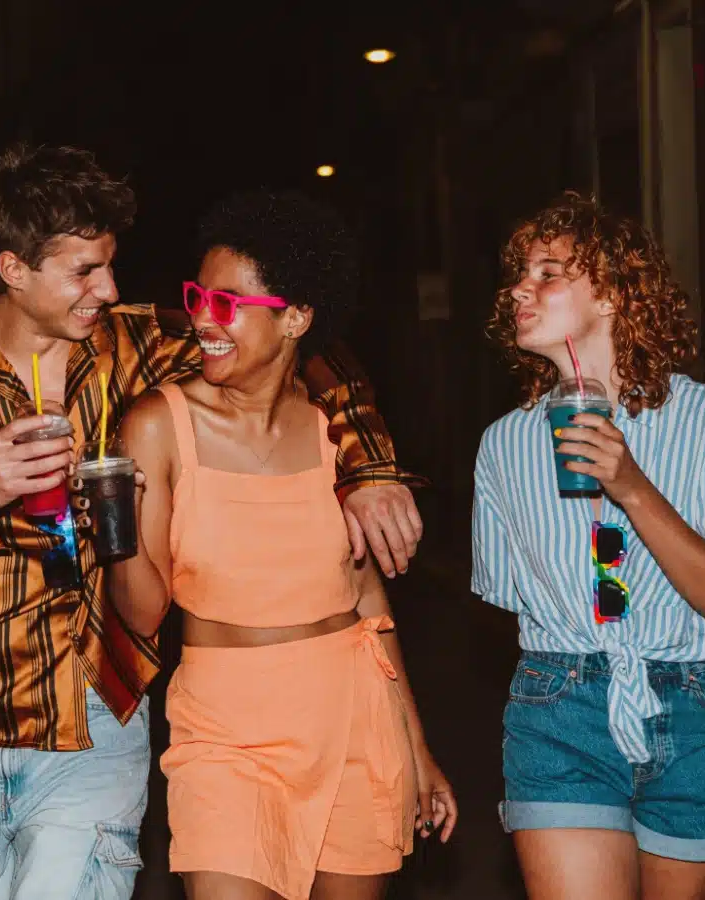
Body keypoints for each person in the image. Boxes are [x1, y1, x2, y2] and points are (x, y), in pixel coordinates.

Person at [0, 145, 427, 900]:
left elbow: (311, 351)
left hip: (96, 710)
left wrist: (368, 466)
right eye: (84, 271)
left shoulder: (132, 343)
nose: (107, 288)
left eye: (110, 265)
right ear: (14, 270)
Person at [106, 190, 454, 900]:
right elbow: (142, 615)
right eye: (198, 295)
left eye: (228, 303)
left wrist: (415, 747)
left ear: (295, 318)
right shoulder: (157, 425)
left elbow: (366, 598)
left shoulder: (339, 437)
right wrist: (114, 520)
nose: (203, 318)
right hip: (225, 726)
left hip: (352, 714)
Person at [471, 192, 705, 899]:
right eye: (518, 274)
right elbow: (511, 599)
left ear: (610, 294)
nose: (521, 287)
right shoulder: (504, 446)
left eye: (548, 272)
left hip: (695, 710)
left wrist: (631, 486)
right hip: (562, 706)